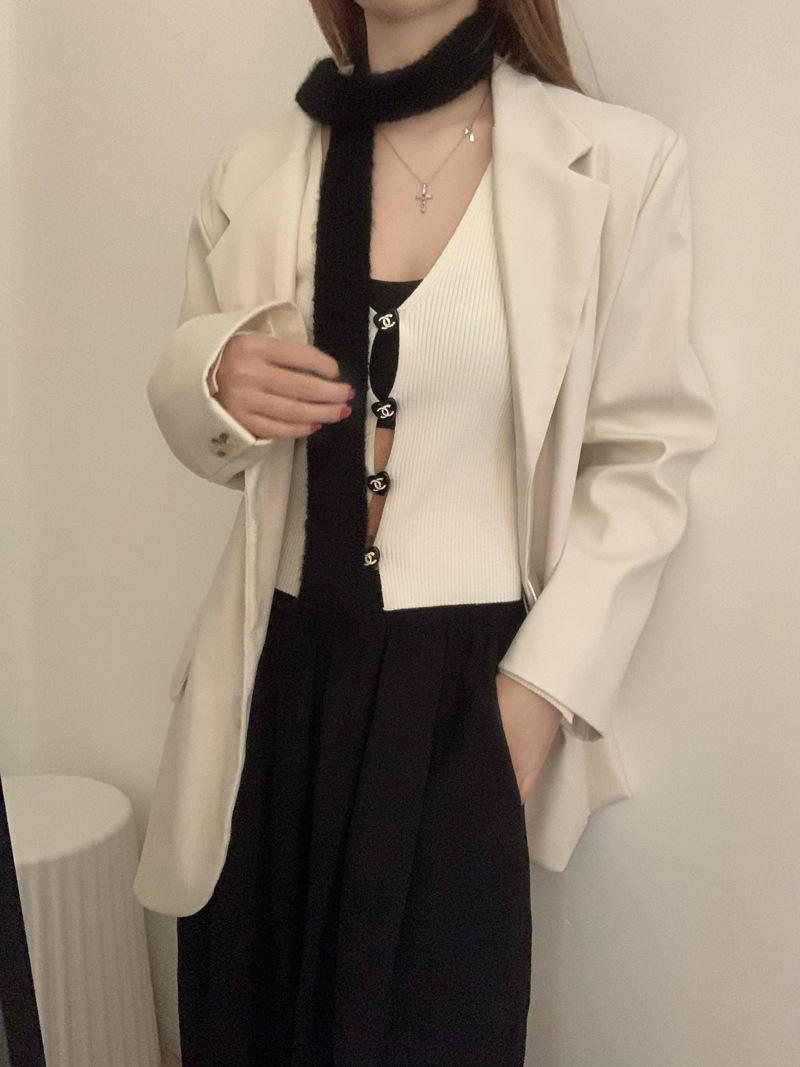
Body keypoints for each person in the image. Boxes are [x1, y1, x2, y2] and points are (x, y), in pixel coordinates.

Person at [134, 0, 718, 1064]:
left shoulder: (617, 162)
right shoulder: (254, 166)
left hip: (462, 695)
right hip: (272, 683)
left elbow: (646, 454)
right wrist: (212, 377)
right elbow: (197, 424)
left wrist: (535, 699)